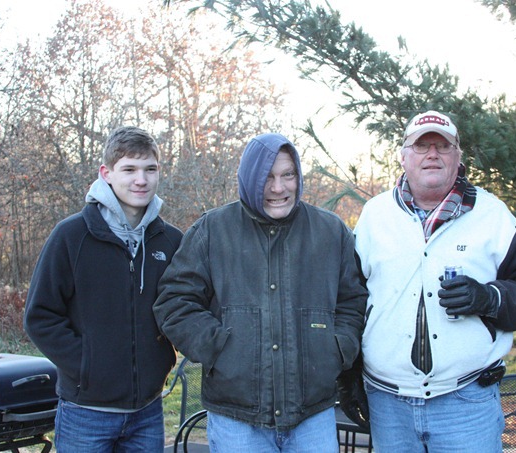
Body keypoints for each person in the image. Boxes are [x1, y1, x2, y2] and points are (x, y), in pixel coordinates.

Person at [353, 110, 516, 452]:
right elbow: (350, 297)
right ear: (403, 157)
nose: (432, 154)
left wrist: (490, 298)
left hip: (466, 402)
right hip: (387, 404)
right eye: (421, 146)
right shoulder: (375, 215)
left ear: (458, 157)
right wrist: (349, 372)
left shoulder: (492, 215)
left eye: (443, 146)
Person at [153, 132, 367, 452]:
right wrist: (219, 348)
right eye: (267, 177)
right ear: (248, 178)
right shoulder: (212, 229)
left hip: (313, 414)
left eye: (287, 175)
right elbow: (175, 300)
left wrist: (336, 349)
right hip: (236, 418)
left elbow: (353, 300)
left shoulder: (330, 231)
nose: (278, 188)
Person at [24, 126, 183, 452]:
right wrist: (88, 366)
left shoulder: (170, 241)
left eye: (150, 169)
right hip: (85, 413)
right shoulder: (72, 236)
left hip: (148, 411)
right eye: (129, 169)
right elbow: (40, 316)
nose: (141, 180)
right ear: (106, 173)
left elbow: (184, 307)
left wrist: (162, 360)